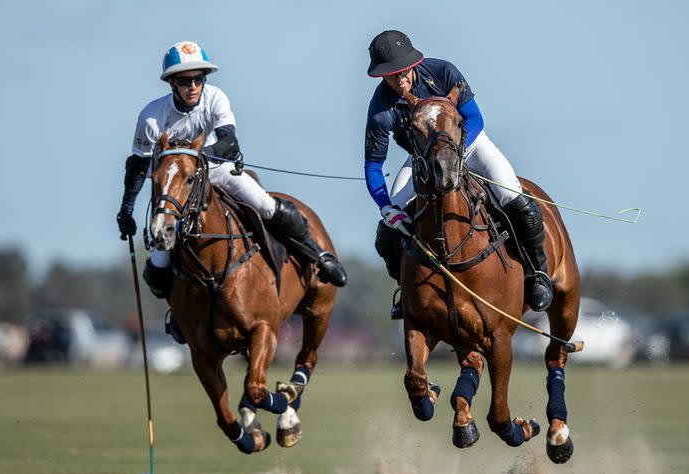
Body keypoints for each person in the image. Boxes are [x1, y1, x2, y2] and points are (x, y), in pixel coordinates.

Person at [117, 41, 347, 300]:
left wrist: (198, 158)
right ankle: (180, 314)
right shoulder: (151, 117)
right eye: (184, 81)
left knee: (266, 205)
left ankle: (318, 255)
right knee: (157, 269)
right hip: (174, 189)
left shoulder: (215, 97)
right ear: (172, 83)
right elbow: (137, 165)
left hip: (214, 170)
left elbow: (229, 142)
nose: (193, 87)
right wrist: (126, 209)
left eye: (198, 79)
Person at [364, 30, 552, 319]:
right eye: (390, 74)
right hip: (423, 161)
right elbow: (373, 166)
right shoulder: (380, 111)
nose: (398, 78)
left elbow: (475, 118)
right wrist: (386, 207)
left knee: (516, 200)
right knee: (385, 233)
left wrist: (454, 154)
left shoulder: (443, 72)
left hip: (472, 147)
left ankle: (538, 273)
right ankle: (407, 289)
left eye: (402, 70)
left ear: (413, 64)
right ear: (380, 76)